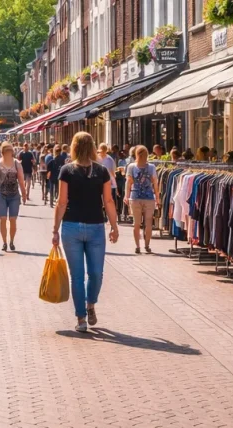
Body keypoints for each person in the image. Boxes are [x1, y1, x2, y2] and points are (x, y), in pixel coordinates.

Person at [52, 132, 119, 333]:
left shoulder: (101, 171)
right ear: (92, 147)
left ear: (74, 147)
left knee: (96, 274)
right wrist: (55, 229)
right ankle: (81, 316)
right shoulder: (67, 170)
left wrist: (114, 226)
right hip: (71, 226)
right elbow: (62, 202)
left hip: (96, 227)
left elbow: (108, 201)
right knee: (79, 275)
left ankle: (90, 305)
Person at [0, 142, 28, 252]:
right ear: (2, 152)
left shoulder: (17, 164)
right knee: (2, 219)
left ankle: (11, 241)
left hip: (14, 195)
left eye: (10, 151)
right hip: (1, 194)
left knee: (13, 219)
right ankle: (4, 242)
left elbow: (21, 179)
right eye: (6, 151)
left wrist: (24, 193)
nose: (8, 153)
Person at [123, 146, 157, 254]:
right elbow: (155, 183)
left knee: (136, 223)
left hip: (135, 197)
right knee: (148, 223)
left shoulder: (131, 167)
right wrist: (158, 198)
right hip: (149, 197)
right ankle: (147, 245)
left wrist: (126, 196)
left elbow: (128, 183)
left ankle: (137, 246)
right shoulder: (151, 167)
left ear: (136, 155)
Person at [98, 144, 119, 221]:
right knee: (100, 198)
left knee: (108, 198)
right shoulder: (97, 158)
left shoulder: (110, 159)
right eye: (101, 151)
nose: (102, 153)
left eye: (103, 151)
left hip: (108, 181)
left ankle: (108, 214)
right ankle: (103, 214)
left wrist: (114, 182)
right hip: (99, 181)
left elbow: (113, 171)